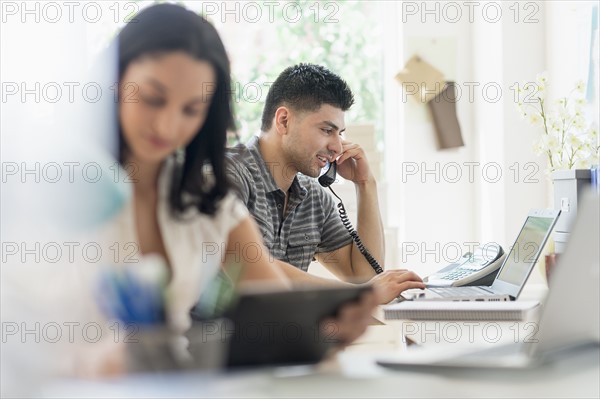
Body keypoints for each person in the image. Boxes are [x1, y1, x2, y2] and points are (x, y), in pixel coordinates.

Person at [108, 4, 377, 361]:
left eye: (191, 109)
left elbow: (282, 321)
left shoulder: (209, 200)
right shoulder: (65, 186)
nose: (167, 126)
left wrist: (326, 333)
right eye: (152, 98)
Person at [225, 64, 426, 303]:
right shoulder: (228, 174)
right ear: (284, 121)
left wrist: (365, 184)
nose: (338, 147)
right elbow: (246, 266)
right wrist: (360, 294)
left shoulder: (312, 196)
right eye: (326, 130)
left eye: (339, 132)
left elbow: (363, 275)